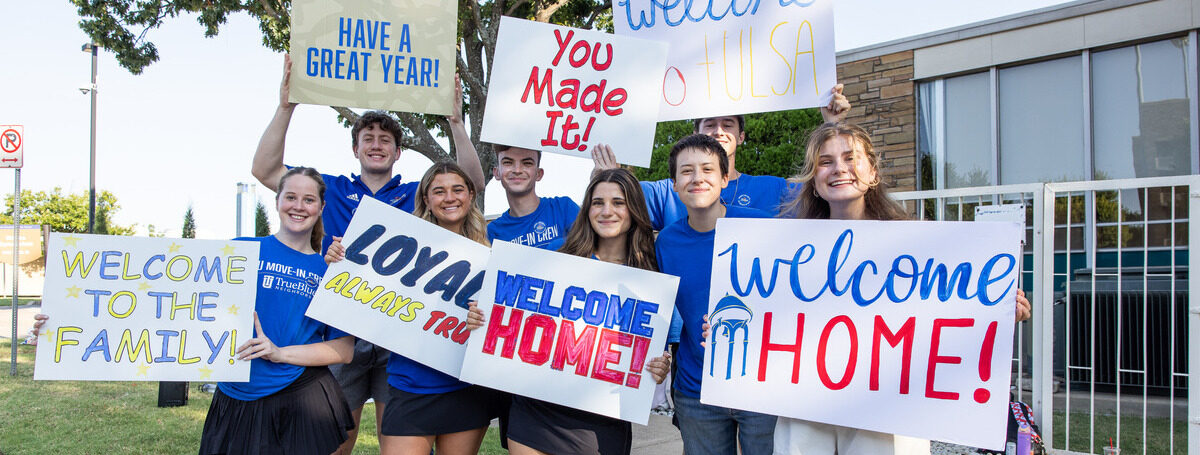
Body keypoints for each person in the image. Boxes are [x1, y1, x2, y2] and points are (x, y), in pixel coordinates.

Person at [250, 54, 484, 454]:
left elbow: (471, 183)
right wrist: (286, 107)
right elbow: (264, 169)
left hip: (401, 333)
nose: (377, 145)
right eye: (368, 139)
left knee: (395, 433)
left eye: (386, 140)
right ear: (355, 148)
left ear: (398, 153)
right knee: (337, 436)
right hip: (343, 328)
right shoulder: (333, 188)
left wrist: (457, 124)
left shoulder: (415, 194)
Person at [768, 122, 1032, 454]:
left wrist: (1001, 310)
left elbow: (947, 315)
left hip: (887, 406)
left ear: (873, 172)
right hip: (805, 399)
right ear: (814, 179)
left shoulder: (916, 245)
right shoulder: (785, 250)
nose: (839, 169)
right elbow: (768, 316)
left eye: (851, 158)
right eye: (826, 161)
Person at [467, 168, 672, 455]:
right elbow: (510, 313)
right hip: (535, 411)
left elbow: (652, 354)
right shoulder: (556, 255)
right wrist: (483, 317)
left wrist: (659, 367)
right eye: (598, 202)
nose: (606, 211)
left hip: (600, 422)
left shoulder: (651, 277)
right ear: (587, 209)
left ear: (634, 209)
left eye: (618, 202)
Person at [326, 162, 504, 455]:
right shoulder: (395, 242)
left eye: (457, 189)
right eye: (439, 191)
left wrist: (482, 319)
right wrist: (337, 258)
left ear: (470, 195)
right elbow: (358, 292)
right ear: (426, 200)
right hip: (410, 383)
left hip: (465, 388)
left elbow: (506, 319)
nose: (449, 197)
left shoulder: (493, 248)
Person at [654, 134, 777, 455]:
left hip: (761, 387)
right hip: (698, 392)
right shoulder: (666, 242)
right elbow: (661, 307)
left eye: (707, 169)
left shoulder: (763, 228)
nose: (697, 178)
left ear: (725, 178)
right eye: (686, 171)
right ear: (674, 184)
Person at [592, 85, 851, 230]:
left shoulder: (773, 188)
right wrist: (610, 177)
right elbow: (614, 207)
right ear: (695, 133)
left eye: (728, 124)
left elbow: (831, 194)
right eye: (709, 124)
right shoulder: (667, 192)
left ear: (741, 137)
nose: (718, 131)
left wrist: (830, 125)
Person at [486, 145, 579, 249]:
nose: (517, 170)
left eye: (527, 163)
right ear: (497, 172)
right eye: (508, 162)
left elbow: (595, 250)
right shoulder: (492, 232)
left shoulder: (564, 208)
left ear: (538, 174)